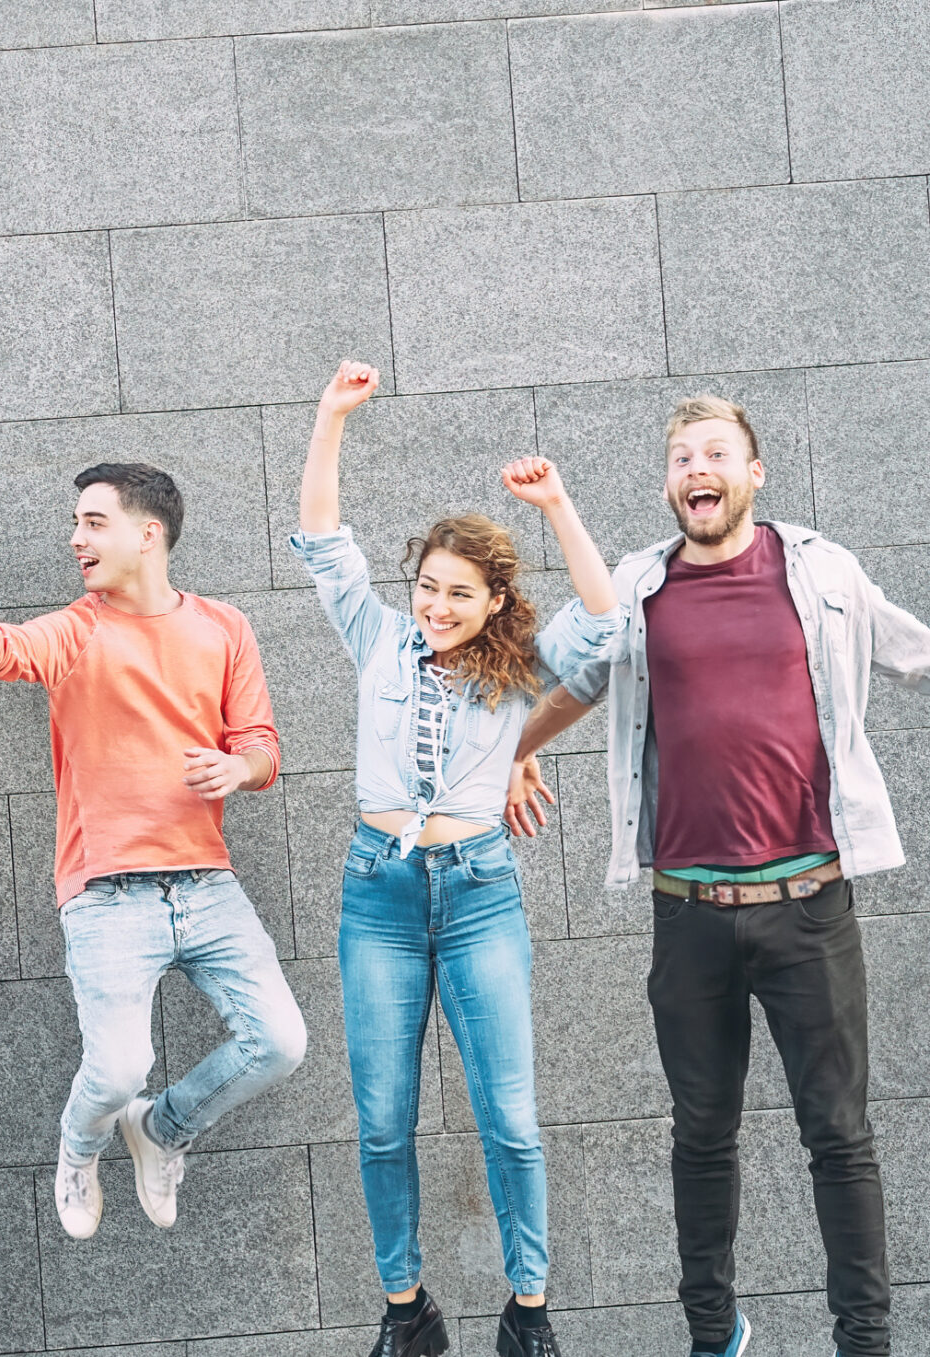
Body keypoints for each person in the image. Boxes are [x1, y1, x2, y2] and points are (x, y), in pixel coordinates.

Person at [513, 395, 923, 1357]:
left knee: (840, 1135)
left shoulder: (820, 571)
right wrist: (510, 752)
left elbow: (912, 651)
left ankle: (865, 1340)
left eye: (717, 453)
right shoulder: (639, 584)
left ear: (753, 473)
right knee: (701, 1134)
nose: (698, 468)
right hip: (689, 910)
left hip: (811, 906)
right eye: (681, 455)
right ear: (669, 483)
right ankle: (713, 1333)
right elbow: (583, 677)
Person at [294, 362, 621, 1357]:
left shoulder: (519, 670)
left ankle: (528, 1308)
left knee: (510, 1119)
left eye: (457, 593)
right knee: (382, 1122)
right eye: (427, 587)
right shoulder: (379, 640)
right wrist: (329, 419)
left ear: (491, 601)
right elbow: (321, 541)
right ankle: (407, 1309)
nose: (436, 605)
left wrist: (558, 504)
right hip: (378, 893)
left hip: (479, 893)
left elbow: (605, 622)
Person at [0, 462, 306, 1240]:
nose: (77, 538)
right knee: (116, 1070)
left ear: (149, 534)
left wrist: (237, 767)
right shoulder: (78, 629)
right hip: (107, 891)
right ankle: (79, 1149)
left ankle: (164, 1130)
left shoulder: (224, 626)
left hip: (208, 884)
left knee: (281, 1042)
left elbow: (262, 747)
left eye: (93, 521)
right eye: (75, 524)